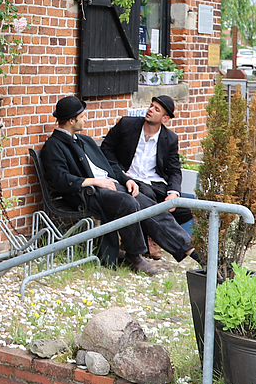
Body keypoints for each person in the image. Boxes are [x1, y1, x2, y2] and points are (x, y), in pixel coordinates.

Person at [40, 95, 191, 275]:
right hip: (88, 193)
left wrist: (126, 180)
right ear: (72, 120)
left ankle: (188, 248)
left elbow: (109, 165)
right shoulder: (54, 145)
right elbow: (59, 179)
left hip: (109, 185)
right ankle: (134, 256)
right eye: (82, 116)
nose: (86, 118)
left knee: (146, 203)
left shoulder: (84, 140)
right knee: (128, 202)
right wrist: (94, 181)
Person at [101, 95, 195, 230]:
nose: (150, 110)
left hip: (155, 183)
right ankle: (151, 237)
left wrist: (173, 193)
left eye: (156, 109)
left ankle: (151, 233)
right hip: (130, 179)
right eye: (151, 106)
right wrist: (119, 172)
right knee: (148, 196)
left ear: (165, 118)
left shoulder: (170, 138)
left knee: (185, 209)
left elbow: (174, 169)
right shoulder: (126, 124)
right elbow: (106, 149)